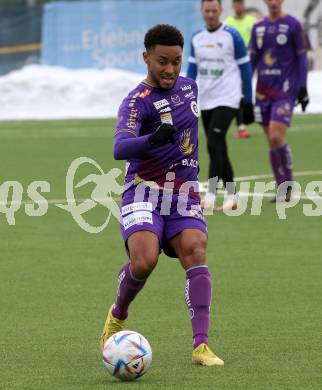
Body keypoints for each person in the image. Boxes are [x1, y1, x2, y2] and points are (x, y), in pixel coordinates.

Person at [100, 24, 224, 367]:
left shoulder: (190, 88)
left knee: (196, 250)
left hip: (183, 193)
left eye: (176, 61)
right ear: (146, 58)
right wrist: (152, 139)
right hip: (143, 192)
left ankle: (201, 346)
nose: (170, 69)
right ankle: (118, 313)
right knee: (144, 261)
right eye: (162, 61)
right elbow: (120, 147)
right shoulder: (136, 103)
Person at [187, 0, 254, 212]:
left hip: (228, 98)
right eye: (206, 11)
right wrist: (187, 97)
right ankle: (233, 196)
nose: (210, 14)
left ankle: (210, 196)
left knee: (214, 141)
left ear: (220, 11)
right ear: (201, 12)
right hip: (205, 99)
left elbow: (245, 69)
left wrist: (249, 100)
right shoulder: (197, 38)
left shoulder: (232, 36)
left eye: (214, 10)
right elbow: (191, 71)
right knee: (218, 147)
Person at [249, 0, 309, 202]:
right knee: (271, 141)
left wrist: (302, 86)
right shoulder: (258, 27)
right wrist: (243, 90)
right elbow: (252, 61)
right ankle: (281, 187)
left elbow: (302, 57)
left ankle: (289, 184)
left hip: (285, 90)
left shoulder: (294, 24)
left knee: (276, 136)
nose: (274, 2)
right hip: (262, 93)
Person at [225, 0, 257, 139]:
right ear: (233, 6)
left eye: (241, 4)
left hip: (251, 63)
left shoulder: (252, 21)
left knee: (248, 91)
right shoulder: (228, 22)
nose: (239, 7)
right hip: (234, 65)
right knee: (238, 93)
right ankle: (241, 126)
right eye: (236, 4)